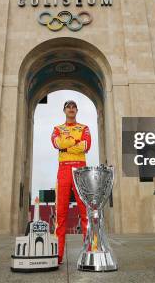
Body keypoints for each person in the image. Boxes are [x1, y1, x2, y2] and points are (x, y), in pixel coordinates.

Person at [51, 99, 91, 265]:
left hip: (80, 169)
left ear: (77, 110)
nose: (71, 109)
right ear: (64, 110)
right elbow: (56, 143)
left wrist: (67, 145)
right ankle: (58, 253)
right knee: (60, 213)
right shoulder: (57, 129)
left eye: (74, 106)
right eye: (68, 106)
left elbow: (86, 145)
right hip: (64, 170)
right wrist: (74, 143)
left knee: (85, 212)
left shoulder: (84, 128)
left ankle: (90, 250)